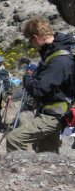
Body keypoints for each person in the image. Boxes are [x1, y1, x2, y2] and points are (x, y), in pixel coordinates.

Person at [6, 18, 75, 153]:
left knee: (14, 139)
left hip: (54, 115)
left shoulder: (58, 60)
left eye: (31, 41)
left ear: (36, 38)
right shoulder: (57, 53)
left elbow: (38, 89)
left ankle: (18, 173)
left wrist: (27, 77)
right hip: (56, 112)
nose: (33, 45)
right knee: (46, 152)